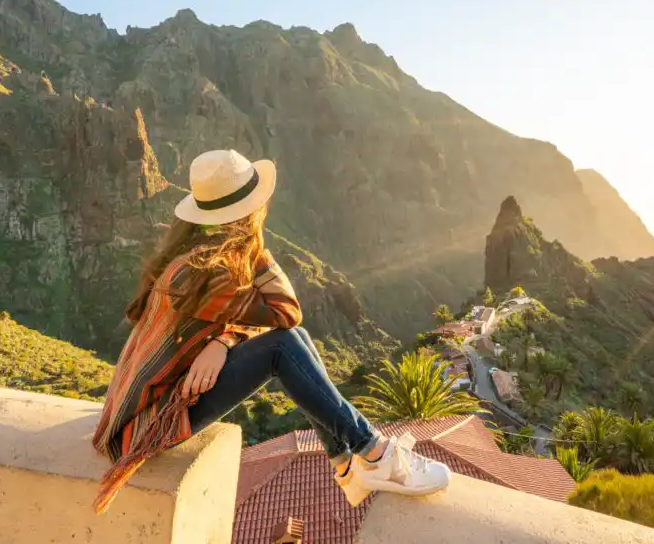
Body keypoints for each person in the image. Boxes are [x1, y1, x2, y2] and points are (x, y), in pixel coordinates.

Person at [92, 149, 450, 514]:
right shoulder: (205, 272)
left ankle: (345, 464)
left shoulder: (197, 251)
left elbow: (269, 318)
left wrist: (223, 339)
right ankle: (372, 453)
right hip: (149, 421)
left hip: (149, 404)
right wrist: (254, 244)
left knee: (299, 342)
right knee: (284, 346)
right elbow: (287, 311)